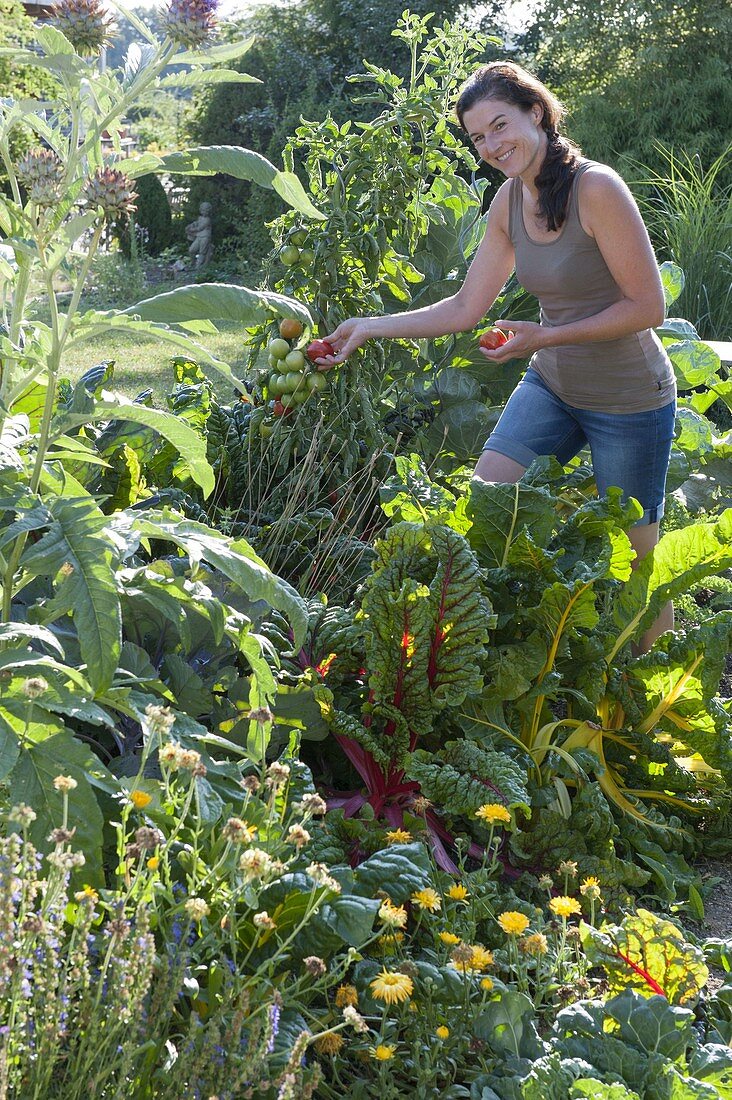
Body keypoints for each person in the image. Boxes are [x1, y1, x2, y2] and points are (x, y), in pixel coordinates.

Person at [313, 60, 676, 652]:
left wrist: (542, 337)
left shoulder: (597, 189)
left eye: (500, 125)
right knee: (488, 504)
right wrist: (368, 328)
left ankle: (660, 700)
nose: (491, 146)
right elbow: (463, 308)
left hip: (629, 400)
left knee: (637, 557)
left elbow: (647, 307)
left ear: (537, 113)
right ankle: (500, 650)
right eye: (478, 137)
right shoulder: (509, 200)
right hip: (554, 387)